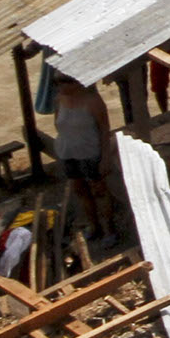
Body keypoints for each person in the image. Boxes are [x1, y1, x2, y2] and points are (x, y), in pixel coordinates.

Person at [52, 77, 117, 244]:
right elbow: (58, 125)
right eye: (57, 82)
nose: (59, 86)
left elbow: (104, 131)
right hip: (68, 153)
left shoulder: (93, 102)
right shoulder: (59, 100)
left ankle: (109, 230)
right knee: (81, 192)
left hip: (90, 153)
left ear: (77, 83)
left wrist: (105, 158)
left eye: (64, 82)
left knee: (99, 192)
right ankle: (94, 226)